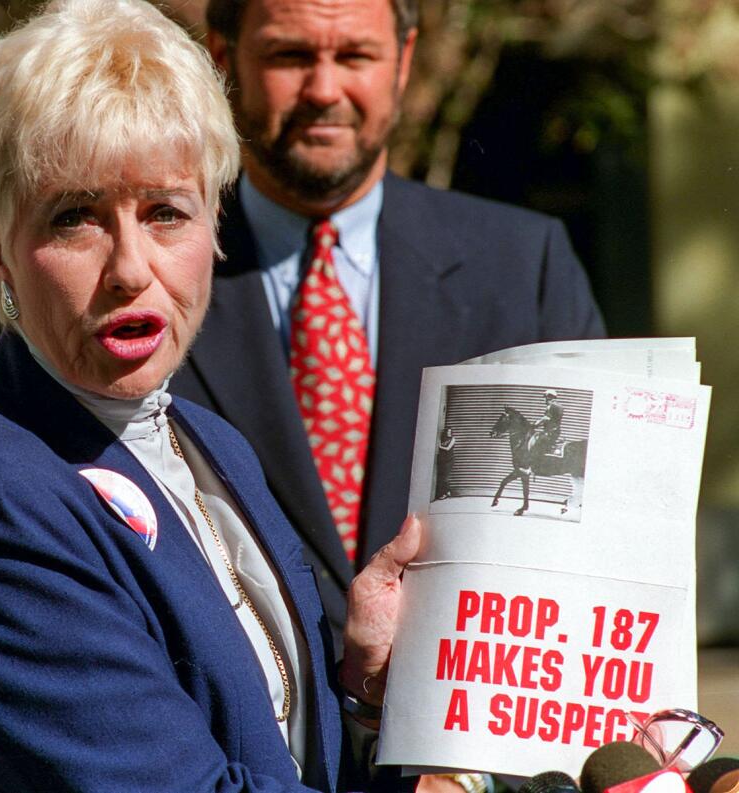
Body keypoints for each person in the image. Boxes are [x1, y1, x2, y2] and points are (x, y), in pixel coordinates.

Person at [0, 1, 418, 791]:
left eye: (166, 211)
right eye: (75, 218)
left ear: (214, 225)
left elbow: (272, 751)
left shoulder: (209, 441)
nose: (131, 266)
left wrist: (360, 688)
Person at [169, 0, 606, 642]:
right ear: (223, 58)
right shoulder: (150, 277)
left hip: (464, 724)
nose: (324, 90)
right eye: (291, 55)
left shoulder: (523, 268)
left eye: (355, 55)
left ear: (403, 61)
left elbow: (599, 532)